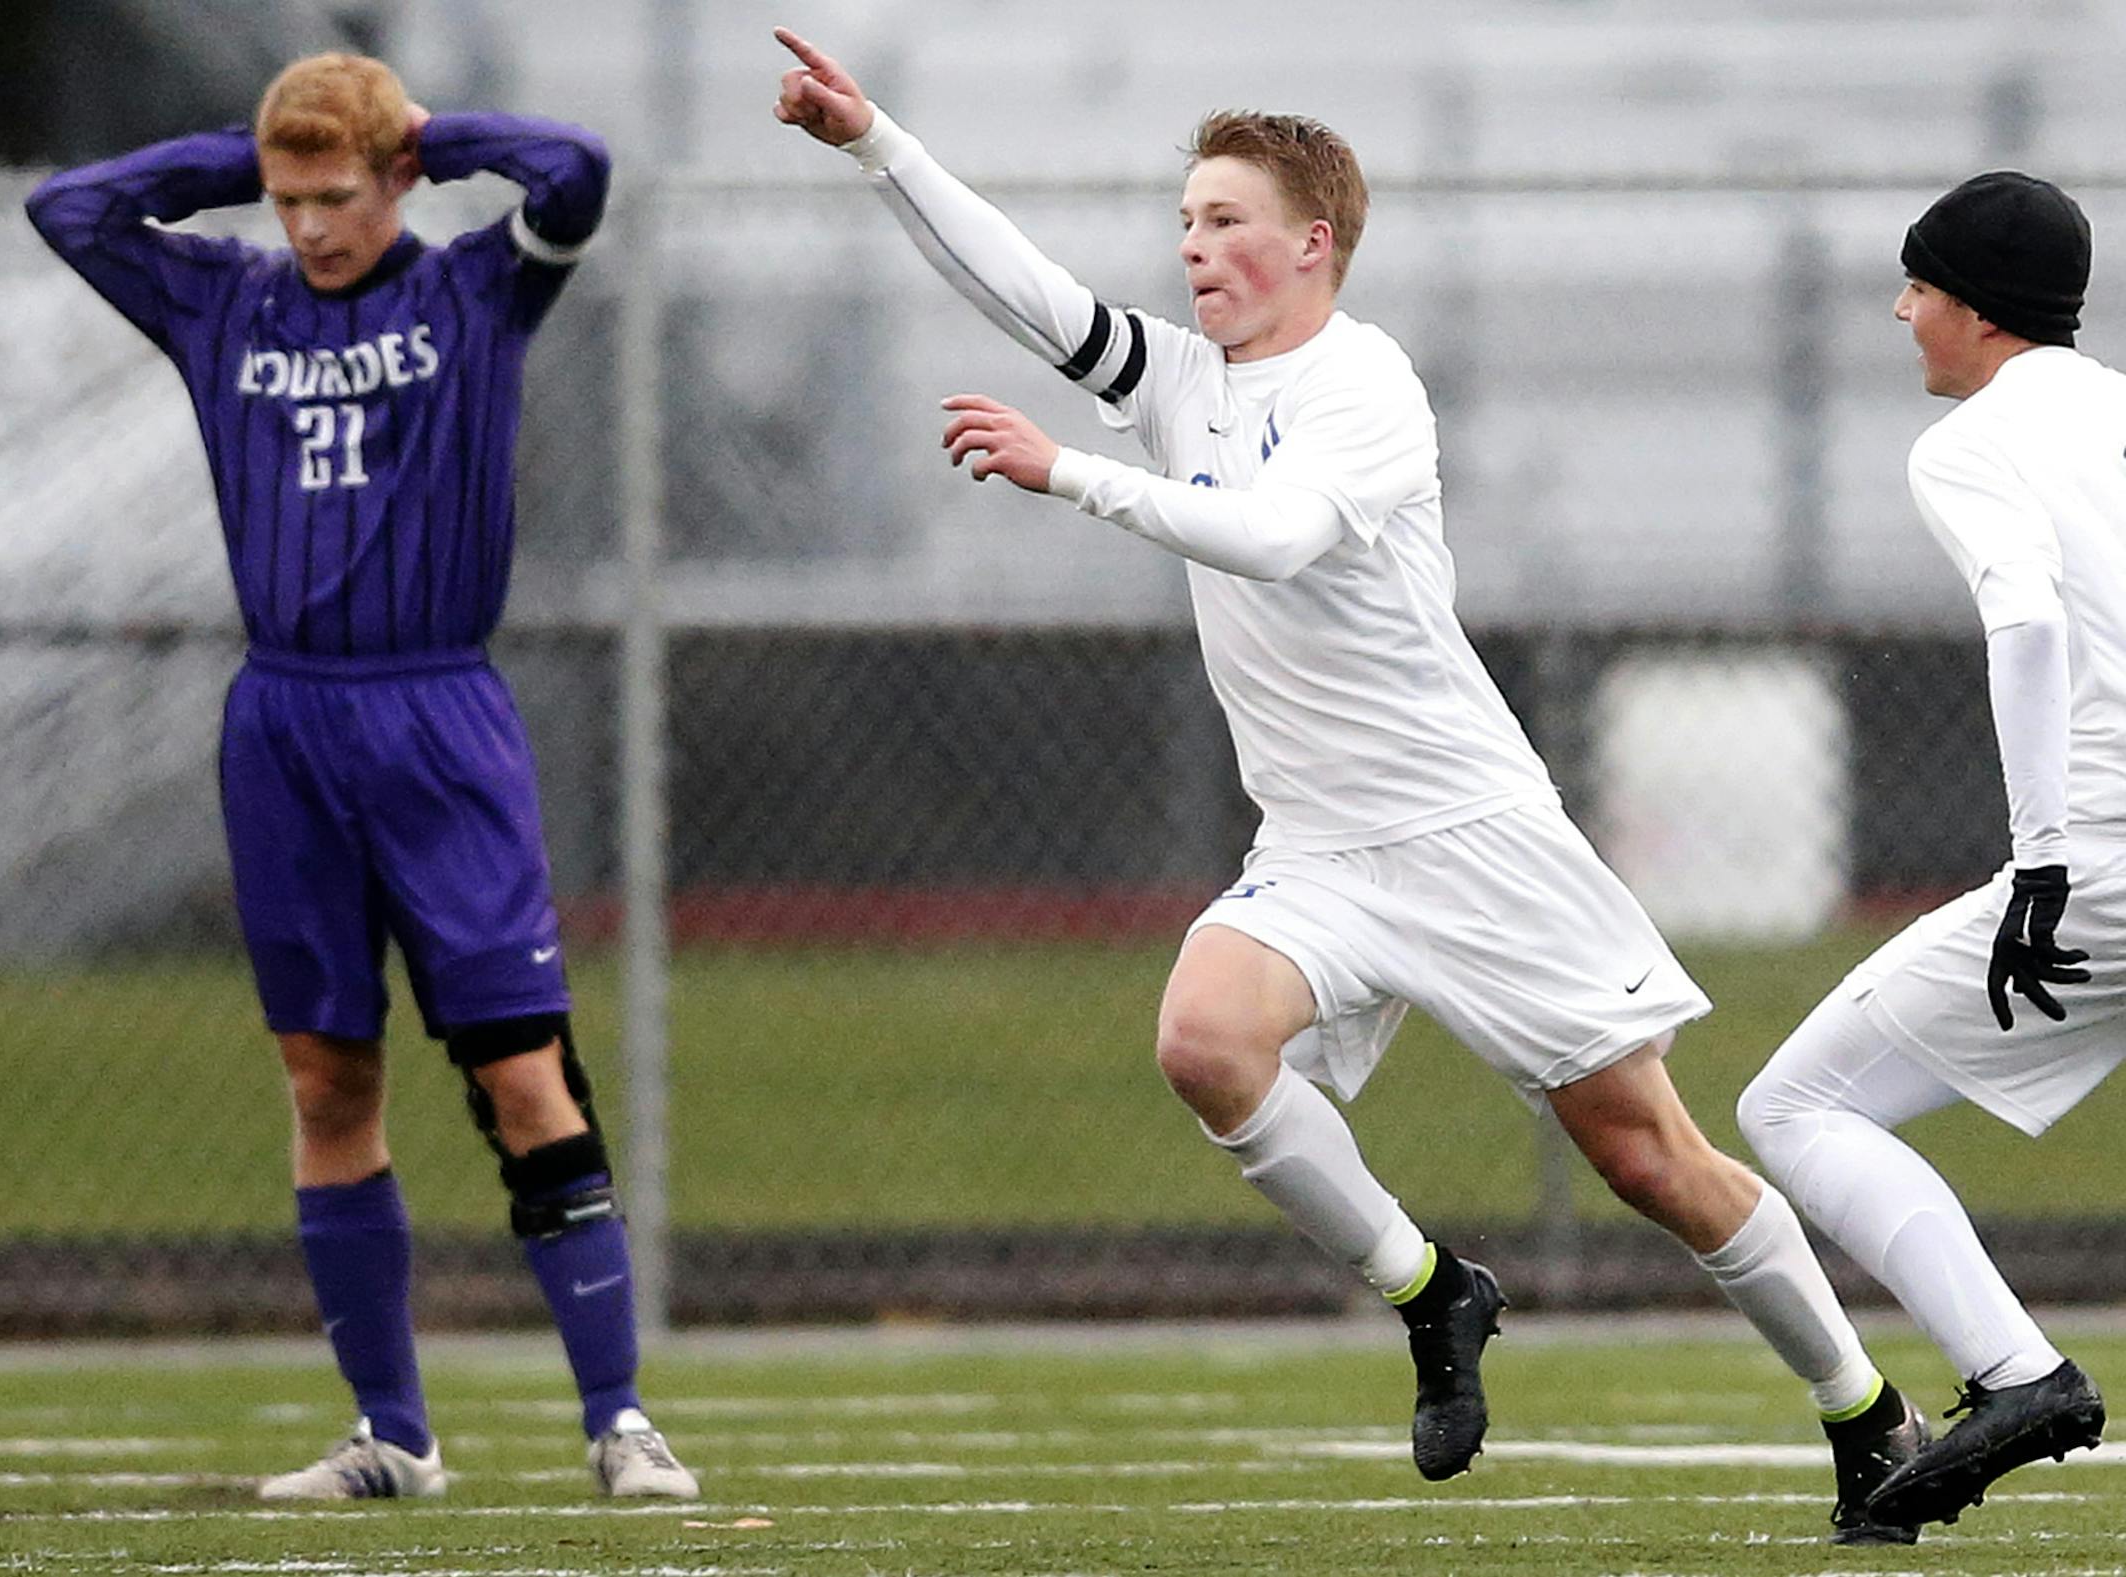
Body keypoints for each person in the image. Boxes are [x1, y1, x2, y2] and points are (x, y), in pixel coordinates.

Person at [773, 26, 1924, 1544]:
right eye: (1183, 220)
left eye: (1225, 219)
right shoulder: (1180, 379)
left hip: (1470, 833)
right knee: (1202, 1040)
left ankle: (1868, 1412)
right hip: (1319, 841)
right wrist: (876, 143)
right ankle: (1433, 1287)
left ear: (1312, 244)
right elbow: (1021, 285)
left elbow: (1276, 535)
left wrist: (1075, 475)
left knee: (1647, 1153)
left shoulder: (1363, 381)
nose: (1193, 246)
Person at [25, 53, 699, 1502]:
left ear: (391, 178)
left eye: (337, 194)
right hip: (284, 723)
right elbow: (70, 210)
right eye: (288, 199)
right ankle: (394, 1432)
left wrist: (431, 139)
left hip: (438, 717)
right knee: (327, 1075)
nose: (311, 226)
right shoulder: (223, 299)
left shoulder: (472, 289)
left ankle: (622, 1417)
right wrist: (233, 161)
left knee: (520, 1069)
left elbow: (575, 168)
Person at [1740, 171, 2114, 1532]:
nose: (1903, 312)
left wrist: (2043, 863)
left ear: (1978, 307)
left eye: (1918, 284)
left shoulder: (1966, 446)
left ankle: (2018, 1373)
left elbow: (2028, 626)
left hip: (2109, 861)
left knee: (1795, 1108)